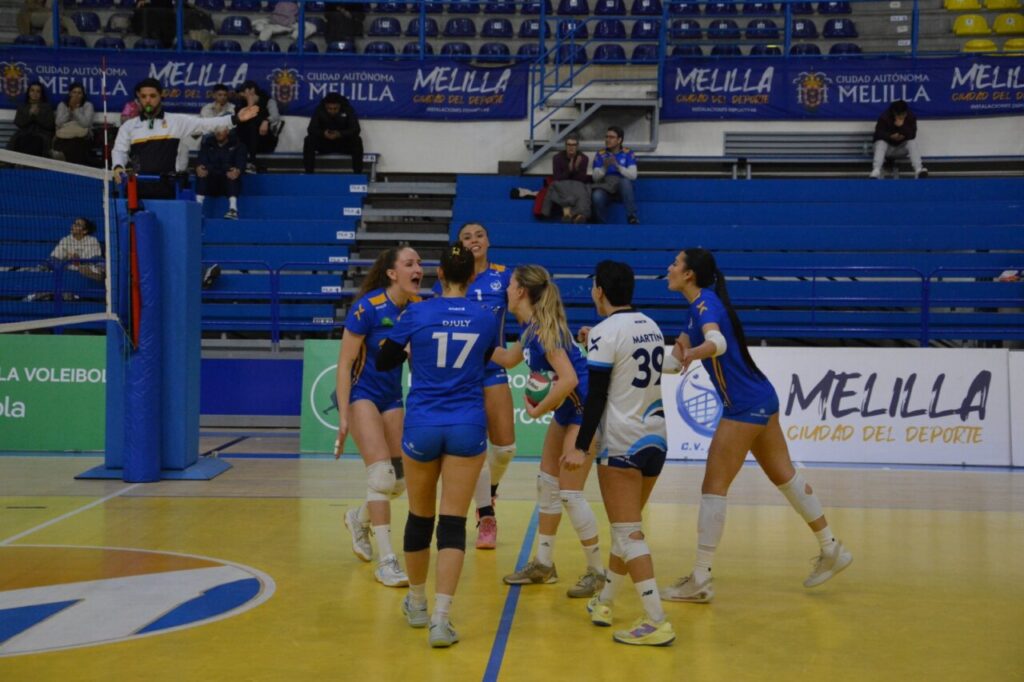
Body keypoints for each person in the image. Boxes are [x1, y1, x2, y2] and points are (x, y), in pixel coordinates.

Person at [660, 248, 853, 603]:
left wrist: (695, 353)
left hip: (745, 406)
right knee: (786, 477)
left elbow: (716, 343)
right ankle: (831, 547)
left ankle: (700, 577)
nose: (669, 268)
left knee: (713, 486)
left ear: (689, 274)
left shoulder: (706, 304)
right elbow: (672, 365)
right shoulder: (694, 310)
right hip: (762, 397)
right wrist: (627, 353)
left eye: (675, 263)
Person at [376, 244, 499, 648]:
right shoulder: (485, 317)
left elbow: (384, 361)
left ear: (440, 274)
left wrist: (408, 346)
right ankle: (442, 621)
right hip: (466, 424)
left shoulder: (417, 313)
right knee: (452, 523)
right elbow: (486, 359)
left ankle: (416, 603)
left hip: (423, 423)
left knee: (419, 517)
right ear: (472, 276)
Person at [565, 261, 675, 647]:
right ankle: (606, 601)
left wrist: (581, 447)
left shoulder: (605, 331)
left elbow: (596, 396)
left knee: (628, 533)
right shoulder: (651, 325)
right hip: (656, 439)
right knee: (624, 528)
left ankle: (656, 620)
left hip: (622, 442)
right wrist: (593, 339)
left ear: (599, 291)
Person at [493, 265, 605, 599]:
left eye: (510, 285)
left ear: (521, 292)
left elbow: (569, 379)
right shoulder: (530, 329)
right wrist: (474, 343)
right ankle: (543, 563)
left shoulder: (544, 331)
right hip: (568, 409)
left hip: (584, 410)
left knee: (570, 493)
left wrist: (537, 409)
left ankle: (597, 572)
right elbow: (508, 359)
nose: (506, 289)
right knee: (547, 483)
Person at [334, 246, 423, 588]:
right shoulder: (367, 308)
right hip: (362, 394)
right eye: (409, 263)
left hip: (392, 397)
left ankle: (359, 519)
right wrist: (344, 416)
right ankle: (387, 562)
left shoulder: (416, 308)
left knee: (398, 482)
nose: (418, 269)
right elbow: (344, 363)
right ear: (391, 273)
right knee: (381, 476)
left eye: (419, 263)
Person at [432, 223, 517, 550]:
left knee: (505, 448)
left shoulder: (504, 276)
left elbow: (526, 308)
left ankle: (489, 490)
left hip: (493, 366)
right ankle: (486, 514)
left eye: (479, 235)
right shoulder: (450, 280)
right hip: (461, 372)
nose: (473, 240)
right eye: (466, 237)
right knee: (475, 444)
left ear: (489, 241)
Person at [111, 77, 259, 199]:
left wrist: (235, 119)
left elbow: (206, 124)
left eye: (152, 96)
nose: (148, 100)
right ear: (138, 98)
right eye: (143, 96)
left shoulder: (176, 121)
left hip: (167, 189)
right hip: (138, 189)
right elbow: (119, 150)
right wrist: (118, 166)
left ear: (161, 96)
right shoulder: (129, 126)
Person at [303, 93, 364, 174]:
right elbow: (311, 129)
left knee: (357, 140)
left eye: (335, 108)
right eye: (329, 108)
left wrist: (340, 134)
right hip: (325, 143)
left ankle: (357, 175)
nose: (332, 111)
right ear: (325, 106)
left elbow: (356, 129)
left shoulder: (348, 109)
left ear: (340, 106)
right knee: (308, 140)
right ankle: (308, 174)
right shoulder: (319, 110)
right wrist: (323, 133)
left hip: (342, 143)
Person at [590, 126, 639, 225]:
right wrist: (604, 167)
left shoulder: (628, 153)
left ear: (619, 140)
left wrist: (618, 167)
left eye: (611, 137)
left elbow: (633, 175)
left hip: (622, 188)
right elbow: (595, 178)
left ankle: (632, 217)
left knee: (625, 182)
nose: (607, 140)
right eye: (606, 137)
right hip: (605, 186)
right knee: (597, 195)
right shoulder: (600, 154)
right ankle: (601, 224)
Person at [195, 126, 246, 220]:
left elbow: (241, 162)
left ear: (227, 131)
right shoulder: (207, 144)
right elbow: (201, 160)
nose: (218, 133)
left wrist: (237, 170)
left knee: (232, 173)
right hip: (211, 181)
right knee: (202, 172)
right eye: (216, 131)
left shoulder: (237, 145)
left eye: (221, 131)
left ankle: (233, 210)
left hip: (227, 182)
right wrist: (199, 167)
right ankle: (197, 210)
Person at [870, 100, 927, 180]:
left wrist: (902, 127)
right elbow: (878, 134)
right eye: (899, 115)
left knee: (911, 142)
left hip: (900, 149)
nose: (902, 117)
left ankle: (918, 169)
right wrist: (890, 136)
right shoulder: (884, 117)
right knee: (881, 142)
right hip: (886, 150)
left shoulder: (910, 117)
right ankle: (876, 170)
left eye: (904, 114)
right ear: (894, 113)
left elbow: (912, 135)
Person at [541, 134, 591, 223]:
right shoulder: (557, 158)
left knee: (582, 188)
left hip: (577, 186)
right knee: (557, 186)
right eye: (569, 144)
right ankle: (576, 214)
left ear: (577, 146)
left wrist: (575, 169)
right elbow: (557, 177)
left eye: (574, 145)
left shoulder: (583, 158)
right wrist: (569, 170)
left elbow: (582, 179)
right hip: (562, 185)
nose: (571, 147)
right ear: (565, 146)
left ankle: (569, 214)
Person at [234, 80, 281, 174]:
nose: (242, 94)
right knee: (248, 125)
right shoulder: (240, 104)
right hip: (245, 139)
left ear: (252, 90)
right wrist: (250, 104)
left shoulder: (268, 101)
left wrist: (266, 121)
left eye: (244, 91)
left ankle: (252, 161)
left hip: (264, 138)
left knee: (254, 124)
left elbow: (275, 116)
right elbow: (239, 120)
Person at [48, 217, 104, 283]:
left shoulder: (92, 241)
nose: (74, 226)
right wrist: (69, 263)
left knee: (98, 262)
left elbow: (94, 258)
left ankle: (102, 275)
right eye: (74, 223)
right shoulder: (65, 240)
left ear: (85, 231)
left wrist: (78, 260)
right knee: (51, 261)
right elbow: (54, 257)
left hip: (89, 267)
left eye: (78, 225)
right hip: (69, 268)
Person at [7, 82, 54, 159]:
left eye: (38, 91)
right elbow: (18, 122)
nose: (35, 93)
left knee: (36, 141)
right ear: (28, 93)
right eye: (32, 90)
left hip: (41, 135)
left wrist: (37, 115)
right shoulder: (22, 106)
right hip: (23, 134)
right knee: (22, 140)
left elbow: (50, 125)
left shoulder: (47, 107)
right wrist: (29, 114)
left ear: (41, 94)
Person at [52, 82, 94, 166]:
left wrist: (75, 110)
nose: (76, 95)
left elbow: (86, 124)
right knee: (64, 143)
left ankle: (70, 165)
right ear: (70, 94)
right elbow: (58, 123)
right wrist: (69, 111)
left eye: (79, 93)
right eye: (74, 92)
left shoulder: (88, 105)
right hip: (64, 135)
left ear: (83, 95)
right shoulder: (62, 105)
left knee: (75, 144)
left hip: (82, 136)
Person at [252, 0, 318, 42]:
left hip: (288, 24)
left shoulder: (294, 5)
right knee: (264, 27)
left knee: (312, 27)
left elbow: (299, 13)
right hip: (281, 24)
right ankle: (294, 35)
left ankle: (294, 36)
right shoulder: (281, 4)